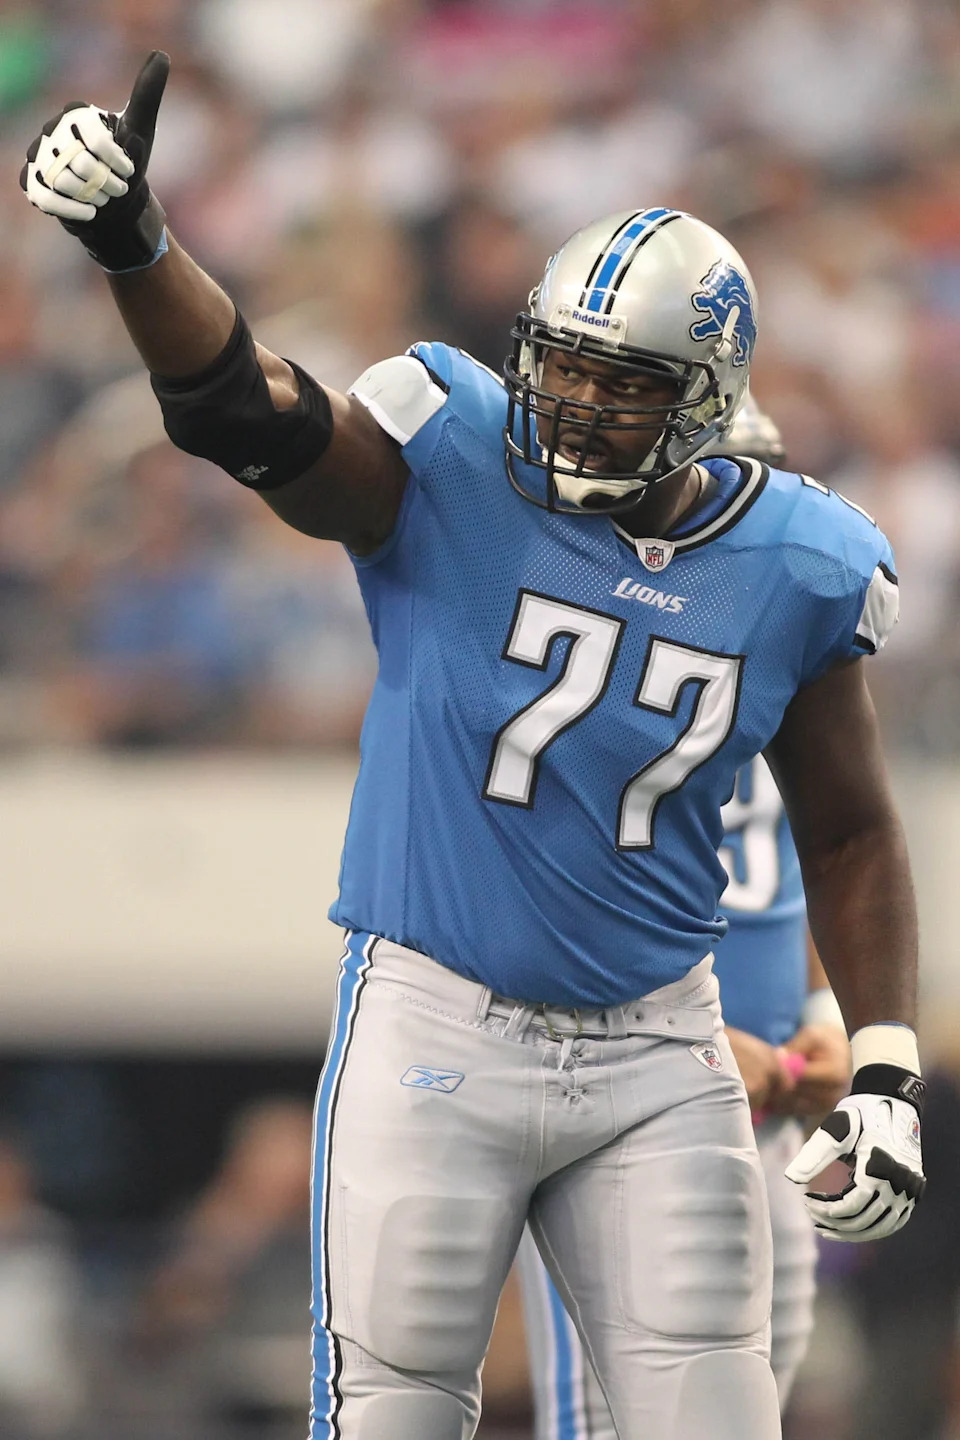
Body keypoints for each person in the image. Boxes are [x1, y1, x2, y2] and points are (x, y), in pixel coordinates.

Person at [21, 53, 926, 1440]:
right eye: (559, 366)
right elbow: (242, 410)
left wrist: (883, 1067)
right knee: (390, 1413)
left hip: (656, 1045)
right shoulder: (451, 456)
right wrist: (139, 246)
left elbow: (851, 824)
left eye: (619, 386)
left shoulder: (798, 563)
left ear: (703, 395)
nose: (571, 407)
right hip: (438, 1024)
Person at [514, 401, 852, 1439]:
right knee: (608, 1421)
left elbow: (822, 858)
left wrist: (826, 1006)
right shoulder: (591, 678)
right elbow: (543, 902)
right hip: (631, 1101)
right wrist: (694, 1046)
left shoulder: (791, 672)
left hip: (772, 1112)